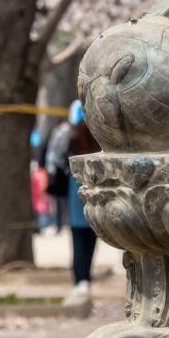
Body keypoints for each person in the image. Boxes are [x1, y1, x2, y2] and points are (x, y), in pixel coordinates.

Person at [47, 102, 102, 314]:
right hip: (95, 187)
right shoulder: (99, 132)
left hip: (75, 188)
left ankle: (81, 279)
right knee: (92, 233)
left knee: (77, 234)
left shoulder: (69, 134)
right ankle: (86, 276)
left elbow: (57, 161)